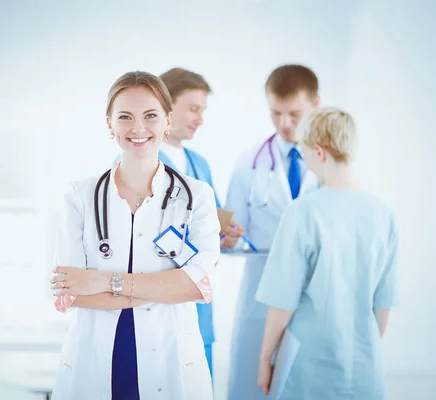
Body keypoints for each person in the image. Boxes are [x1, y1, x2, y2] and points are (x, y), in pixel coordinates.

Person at [50, 71, 220, 400]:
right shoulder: (80, 197)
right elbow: (70, 293)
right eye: (125, 117)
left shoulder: (196, 197)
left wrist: (102, 281)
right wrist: (166, 288)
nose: (138, 128)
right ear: (109, 124)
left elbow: (199, 285)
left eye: (150, 116)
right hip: (95, 364)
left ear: (167, 121)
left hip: (173, 364)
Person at [255, 107, 400, 399]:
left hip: (308, 365)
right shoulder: (383, 213)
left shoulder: (302, 211)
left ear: (319, 152)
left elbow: (282, 301)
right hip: (363, 367)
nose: (305, 161)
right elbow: (382, 307)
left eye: (304, 152)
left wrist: (264, 360)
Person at [222, 64, 321, 399]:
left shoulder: (330, 165)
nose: (284, 123)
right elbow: (229, 238)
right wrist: (228, 239)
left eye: (294, 113)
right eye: (275, 113)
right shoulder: (248, 163)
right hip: (261, 290)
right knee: (252, 384)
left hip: (314, 289)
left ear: (316, 104)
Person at [156, 67, 243, 376]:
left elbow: (212, 228)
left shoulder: (199, 164)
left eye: (202, 110)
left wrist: (226, 237)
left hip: (198, 304)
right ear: (165, 104)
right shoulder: (136, 161)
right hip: (157, 304)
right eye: (193, 109)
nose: (200, 119)